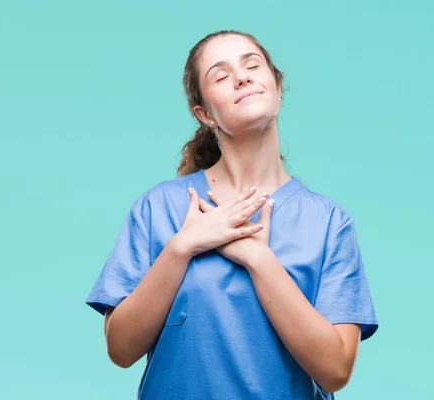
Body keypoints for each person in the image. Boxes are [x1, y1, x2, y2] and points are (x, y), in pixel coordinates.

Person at [85, 29, 378, 399]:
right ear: (205, 114)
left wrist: (258, 259)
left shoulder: (329, 223)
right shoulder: (158, 208)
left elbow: (336, 370)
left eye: (252, 65)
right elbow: (121, 350)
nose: (242, 77)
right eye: (221, 76)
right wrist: (181, 248)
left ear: (277, 86)